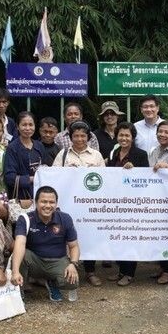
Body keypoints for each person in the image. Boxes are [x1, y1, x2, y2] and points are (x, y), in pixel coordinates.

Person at [53, 121, 104, 285]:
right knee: (68, 235)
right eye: (76, 135)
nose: (80, 139)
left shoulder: (96, 155)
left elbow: (106, 179)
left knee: (90, 236)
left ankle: (90, 272)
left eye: (83, 135)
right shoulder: (63, 155)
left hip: (90, 204)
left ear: (88, 137)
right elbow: (53, 176)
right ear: (71, 137)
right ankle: (66, 269)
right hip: (69, 203)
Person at [10, 186, 80, 302]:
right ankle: (19, 289)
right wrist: (15, 271)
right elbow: (20, 243)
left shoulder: (65, 218)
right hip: (34, 261)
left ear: (56, 203)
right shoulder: (25, 219)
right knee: (20, 256)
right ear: (36, 203)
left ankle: (51, 281)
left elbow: (74, 246)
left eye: (51, 202)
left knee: (72, 283)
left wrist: (73, 264)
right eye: (43, 201)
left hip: (57, 260)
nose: (48, 206)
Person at [107, 122, 149, 286]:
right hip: (116, 202)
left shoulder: (140, 154)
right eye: (121, 135)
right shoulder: (114, 153)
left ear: (133, 137)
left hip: (133, 204)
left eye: (127, 135)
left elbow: (146, 179)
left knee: (129, 238)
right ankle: (121, 271)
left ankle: (129, 273)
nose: (124, 138)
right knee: (118, 237)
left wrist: (135, 169)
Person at [4, 111, 46, 204]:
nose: (28, 128)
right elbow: (10, 178)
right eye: (24, 125)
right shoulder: (12, 148)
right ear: (18, 127)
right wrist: (32, 179)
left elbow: (46, 169)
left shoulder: (39, 146)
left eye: (31, 125)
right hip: (22, 197)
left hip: (40, 195)